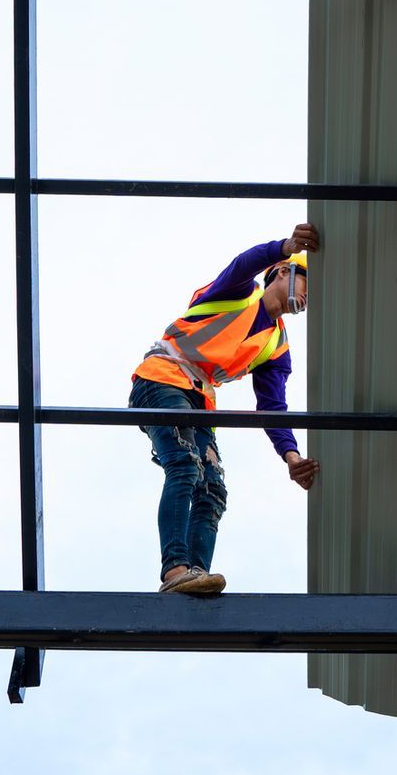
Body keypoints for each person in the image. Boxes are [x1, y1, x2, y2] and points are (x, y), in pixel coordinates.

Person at [130, 224, 323, 596]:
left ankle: (196, 577)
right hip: (163, 378)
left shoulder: (276, 346)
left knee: (213, 489)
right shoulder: (239, 293)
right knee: (185, 465)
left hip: (199, 399)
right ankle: (175, 571)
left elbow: (272, 407)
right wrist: (285, 246)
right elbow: (243, 263)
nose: (308, 298)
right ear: (284, 271)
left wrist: (291, 455)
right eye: (308, 286)